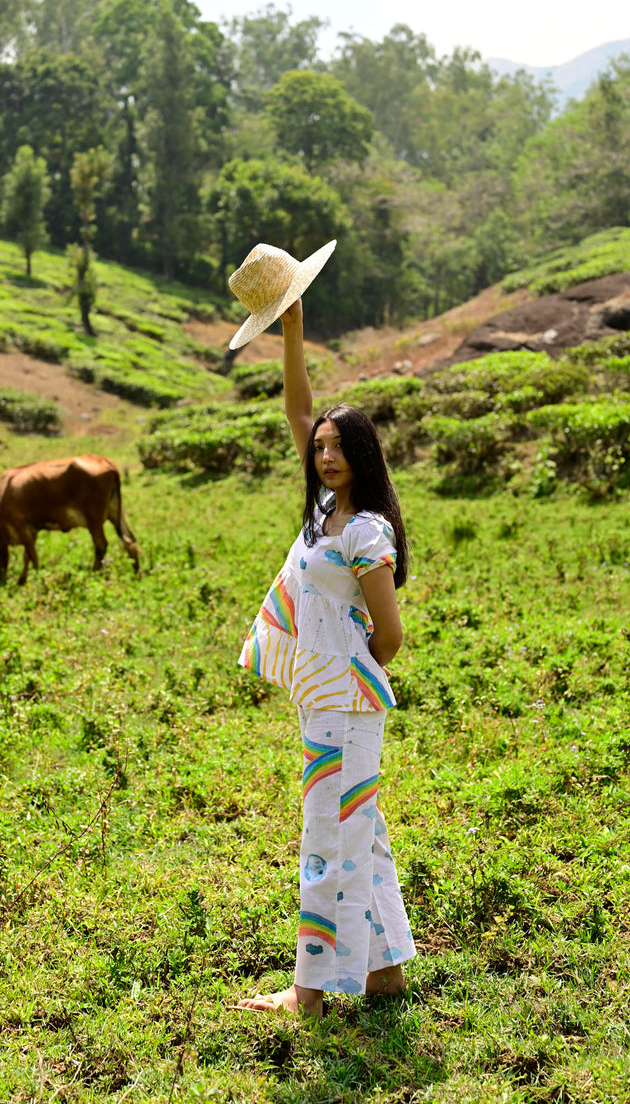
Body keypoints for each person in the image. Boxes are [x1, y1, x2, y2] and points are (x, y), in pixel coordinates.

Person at [234, 296, 416, 1016]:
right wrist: (294, 329)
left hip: (343, 701)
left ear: (363, 456)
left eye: (340, 447)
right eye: (320, 447)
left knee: (327, 839)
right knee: (357, 829)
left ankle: (308, 993)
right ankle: (386, 969)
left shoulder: (366, 530)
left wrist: (344, 667)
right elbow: (299, 408)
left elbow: (390, 633)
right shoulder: (322, 513)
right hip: (328, 699)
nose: (326, 454)